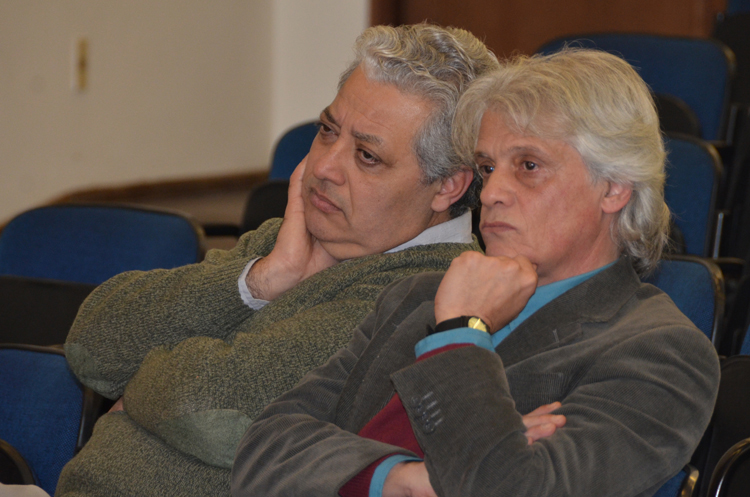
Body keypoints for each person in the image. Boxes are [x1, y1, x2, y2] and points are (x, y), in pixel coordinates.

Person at [231, 48, 721, 497]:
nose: (490, 194)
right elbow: (262, 451)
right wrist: (402, 479)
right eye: (487, 168)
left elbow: (513, 489)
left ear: (614, 188)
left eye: (528, 166)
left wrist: (461, 335)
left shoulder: (662, 352)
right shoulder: (416, 297)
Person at [56, 24, 500, 496]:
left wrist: (136, 385)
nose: (324, 167)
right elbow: (92, 346)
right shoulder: (296, 235)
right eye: (327, 131)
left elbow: (209, 409)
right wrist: (259, 280)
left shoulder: (430, 293)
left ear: (448, 185)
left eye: (367, 156)